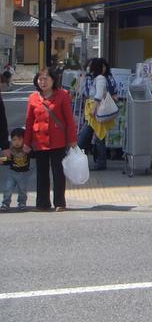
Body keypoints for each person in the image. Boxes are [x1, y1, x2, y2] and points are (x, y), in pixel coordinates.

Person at [23, 67, 76, 211]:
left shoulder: (62, 95)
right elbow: (29, 122)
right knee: (41, 173)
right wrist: (26, 142)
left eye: (46, 79)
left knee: (58, 172)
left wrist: (72, 140)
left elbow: (69, 121)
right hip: (39, 141)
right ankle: (42, 203)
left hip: (58, 141)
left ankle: (60, 202)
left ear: (53, 80)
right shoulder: (33, 98)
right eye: (40, 79)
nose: (43, 82)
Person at [78, 58, 113, 171]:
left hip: (96, 110)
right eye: (101, 66)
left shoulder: (100, 78)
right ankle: (98, 162)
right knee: (97, 136)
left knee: (93, 136)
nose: (104, 68)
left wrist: (93, 108)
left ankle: (78, 158)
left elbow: (98, 94)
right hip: (95, 110)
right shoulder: (96, 78)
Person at [1, 127, 31, 210]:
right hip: (12, 173)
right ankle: (5, 203)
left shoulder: (26, 150)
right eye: (14, 140)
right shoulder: (11, 150)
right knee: (8, 189)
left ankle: (22, 203)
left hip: (23, 173)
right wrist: (1, 160)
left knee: (22, 190)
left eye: (19, 140)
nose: (16, 142)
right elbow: (7, 160)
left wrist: (31, 151)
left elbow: (34, 155)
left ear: (24, 140)